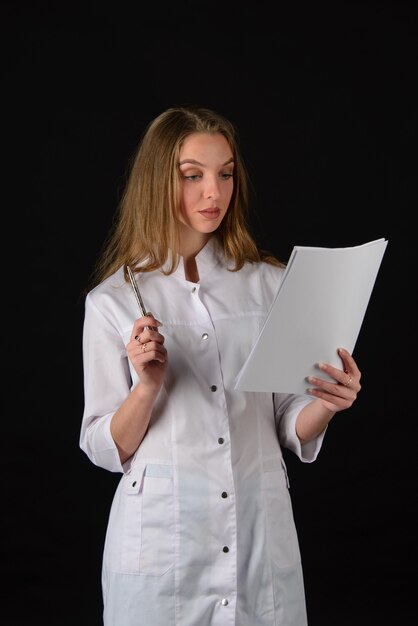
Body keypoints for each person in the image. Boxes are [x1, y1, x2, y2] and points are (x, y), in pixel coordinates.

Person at [80, 104, 362, 626]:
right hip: (163, 542)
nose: (214, 192)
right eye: (193, 176)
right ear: (157, 182)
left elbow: (286, 419)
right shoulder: (114, 300)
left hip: (258, 532)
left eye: (225, 174)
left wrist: (325, 403)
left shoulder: (271, 285)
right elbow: (105, 445)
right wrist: (146, 387)